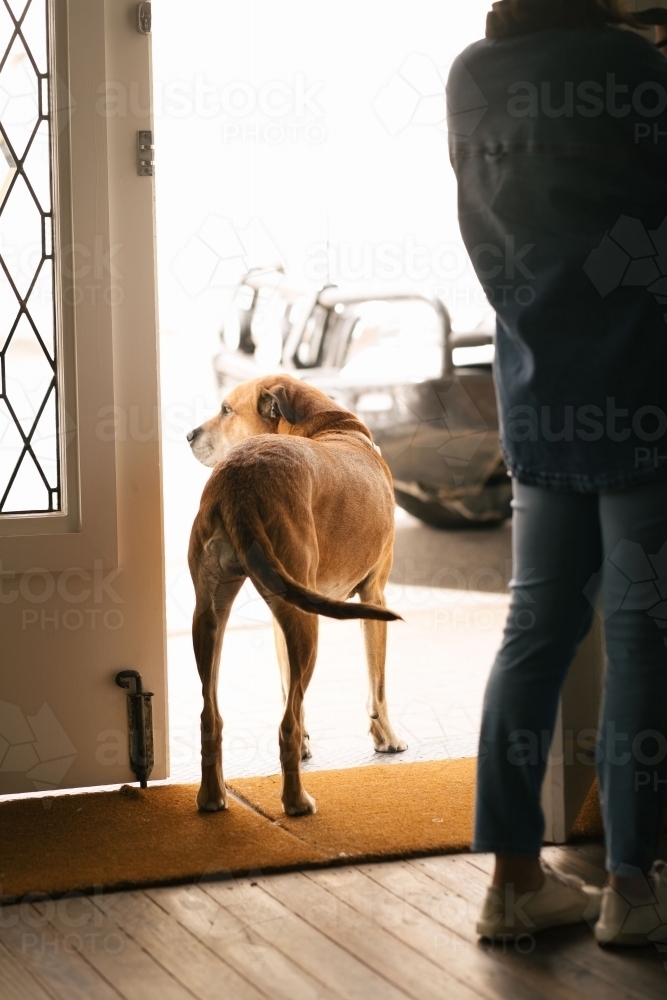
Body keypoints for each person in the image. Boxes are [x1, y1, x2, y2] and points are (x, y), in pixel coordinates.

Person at [447, 0, 667, 946]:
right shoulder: (635, 67)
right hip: (644, 382)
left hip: (538, 380)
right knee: (641, 637)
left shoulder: (471, 76)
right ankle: (630, 892)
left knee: (534, 630)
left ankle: (511, 882)